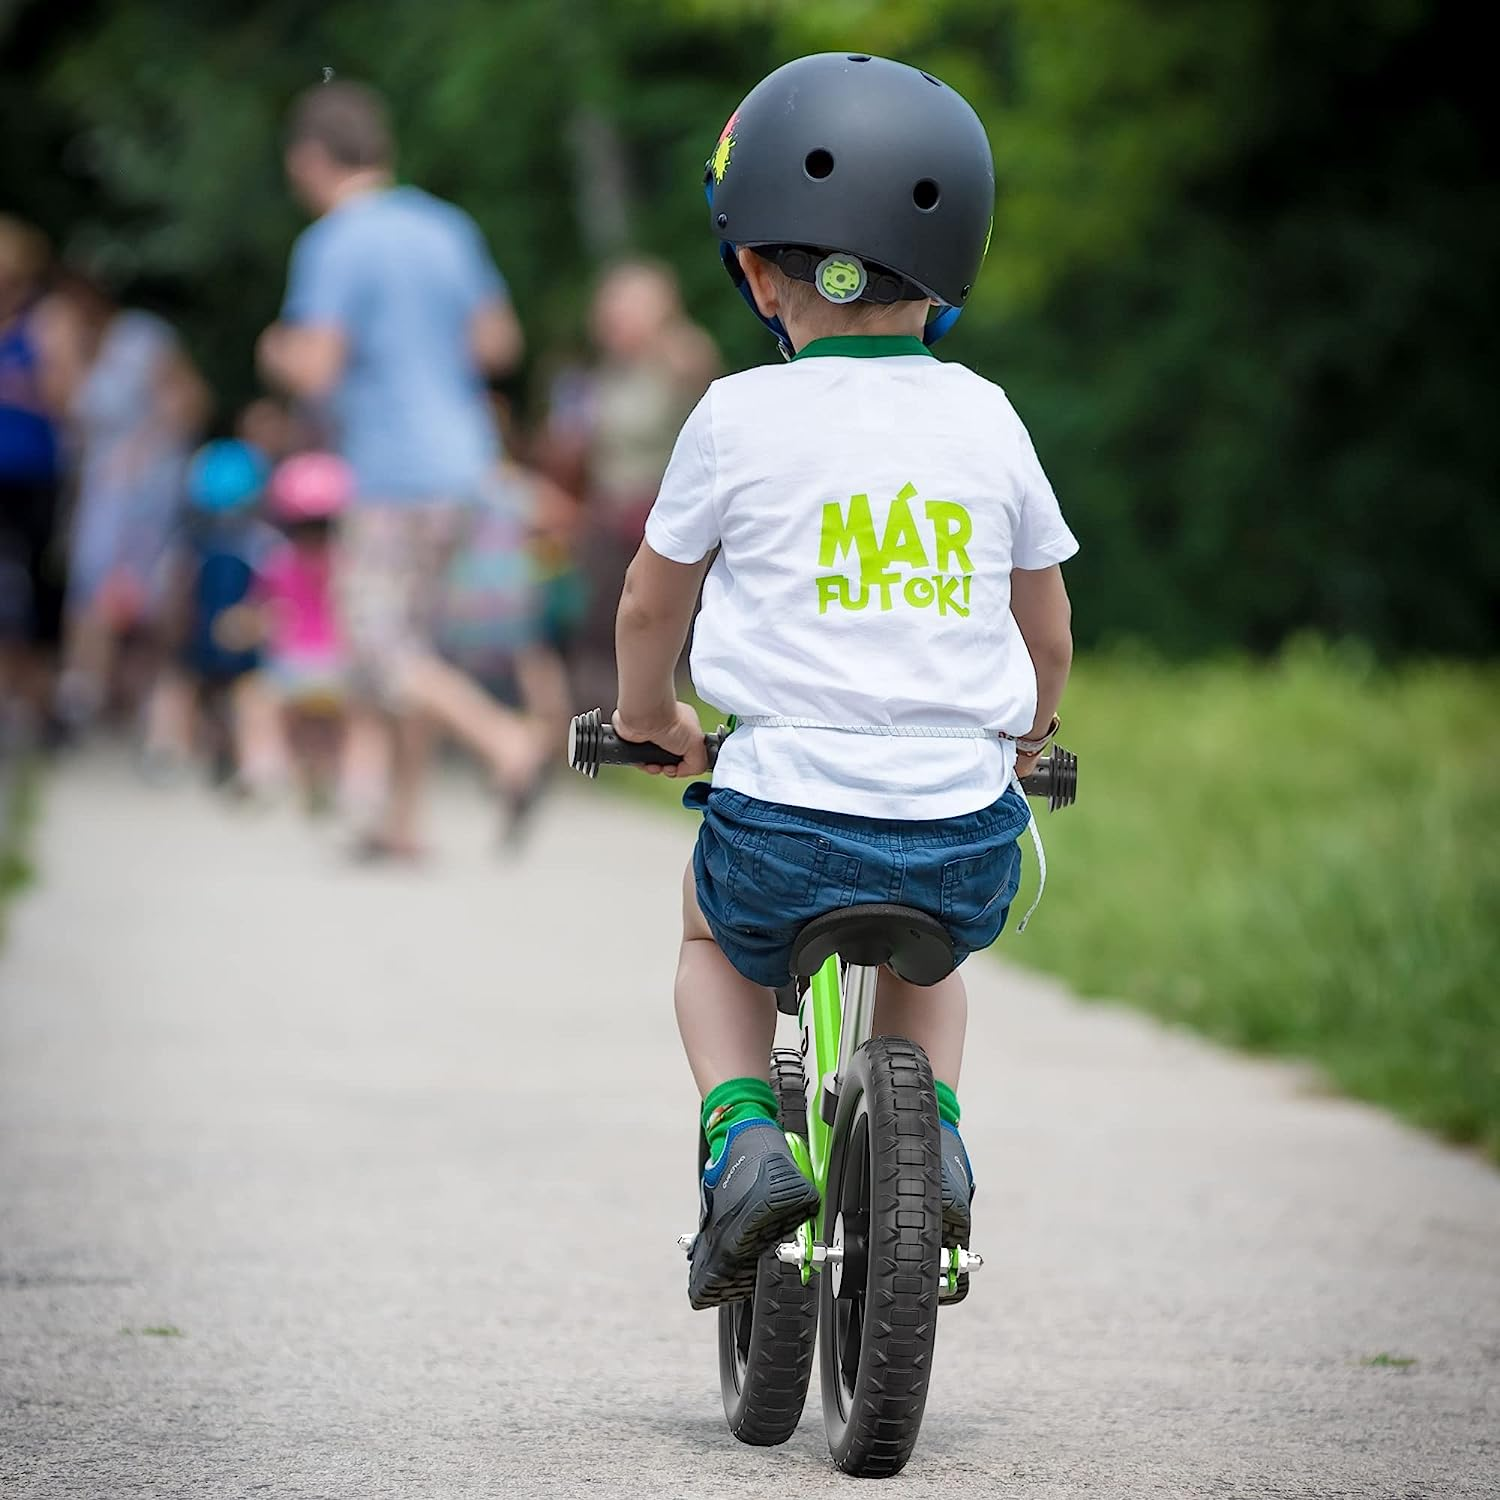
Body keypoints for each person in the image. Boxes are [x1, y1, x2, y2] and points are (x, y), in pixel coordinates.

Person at [609, 54, 1078, 1308]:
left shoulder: (733, 415)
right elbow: (1045, 624)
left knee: (712, 933)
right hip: (961, 834)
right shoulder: (988, 417)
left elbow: (652, 599)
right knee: (932, 962)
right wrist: (1030, 735)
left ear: (757, 272)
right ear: (951, 273)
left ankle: (741, 1140)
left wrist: (651, 716)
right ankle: (943, 1150)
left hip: (781, 826)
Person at [258, 80, 547, 860]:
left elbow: (315, 369)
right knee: (418, 645)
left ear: (311, 158)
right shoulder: (447, 227)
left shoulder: (332, 241)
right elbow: (498, 345)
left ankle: (505, 742)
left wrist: (277, 352)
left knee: (378, 646)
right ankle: (404, 823)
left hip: (392, 470)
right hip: (467, 465)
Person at [542, 259, 718, 709]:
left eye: (624, 310)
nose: (612, 321)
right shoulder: (595, 377)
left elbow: (700, 372)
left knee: (672, 621)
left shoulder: (680, 359)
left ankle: (673, 708)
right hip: (608, 518)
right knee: (601, 625)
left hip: (667, 517)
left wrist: (662, 334)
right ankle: (602, 714)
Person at [58, 272, 209, 734]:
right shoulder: (67, 349)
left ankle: (158, 705)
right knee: (91, 592)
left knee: (156, 596)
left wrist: (145, 447)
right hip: (100, 492)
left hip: (151, 487)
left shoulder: (141, 336)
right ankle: (86, 701)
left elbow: (191, 400)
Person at [0, 218, 76, 747]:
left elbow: (66, 397)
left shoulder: (48, 322)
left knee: (39, 593)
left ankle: (40, 703)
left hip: (35, 477)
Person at [256, 451, 357, 811]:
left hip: (293, 669)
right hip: (339, 667)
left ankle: (265, 769)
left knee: (257, 702)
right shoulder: (348, 563)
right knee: (344, 723)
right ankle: (355, 781)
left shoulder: (278, 562)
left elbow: (268, 615)